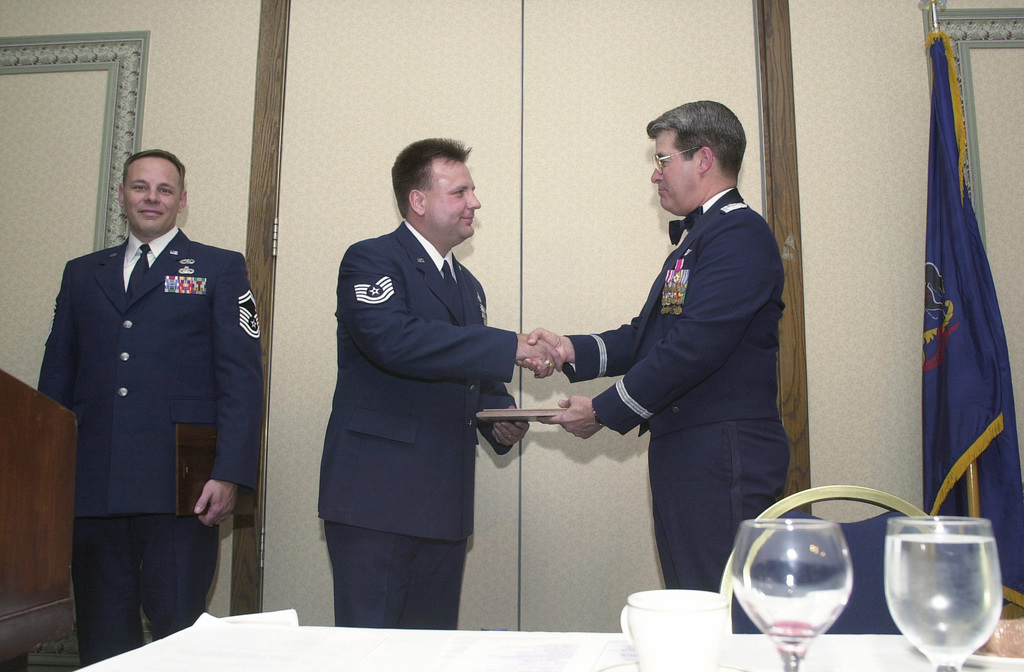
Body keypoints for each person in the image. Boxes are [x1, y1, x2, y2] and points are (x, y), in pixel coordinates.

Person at [530, 101, 791, 592]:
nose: (656, 175)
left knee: (721, 604)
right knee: (692, 599)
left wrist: (605, 411)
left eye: (663, 160)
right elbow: (649, 337)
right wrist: (570, 350)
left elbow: (694, 347)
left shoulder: (738, 235)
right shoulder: (704, 237)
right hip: (694, 452)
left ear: (704, 159)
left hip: (723, 453)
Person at [318, 138, 559, 629]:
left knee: (432, 652)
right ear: (419, 200)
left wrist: (500, 419)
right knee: (371, 655)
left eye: (472, 191)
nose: (475, 202)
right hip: (377, 501)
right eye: (460, 192)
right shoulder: (371, 260)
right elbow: (396, 342)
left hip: (444, 503)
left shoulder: (469, 286)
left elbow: (471, 377)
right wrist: (510, 345)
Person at [37, 149, 263, 665]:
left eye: (164, 189)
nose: (151, 198)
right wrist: (47, 480)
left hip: (181, 488)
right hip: (93, 487)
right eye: (140, 187)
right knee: (102, 638)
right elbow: (56, 380)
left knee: (178, 634)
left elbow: (241, 380)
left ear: (182, 201)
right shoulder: (81, 274)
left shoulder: (218, 267)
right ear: (122, 195)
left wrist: (229, 473)